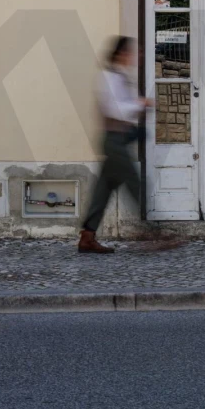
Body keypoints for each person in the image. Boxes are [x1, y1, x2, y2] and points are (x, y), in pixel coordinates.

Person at [78, 36, 152, 254]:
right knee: (134, 182)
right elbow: (115, 110)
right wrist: (140, 103)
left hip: (119, 138)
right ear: (121, 54)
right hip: (114, 140)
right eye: (134, 52)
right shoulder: (108, 77)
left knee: (103, 190)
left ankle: (87, 237)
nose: (137, 56)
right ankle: (153, 234)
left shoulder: (119, 76)